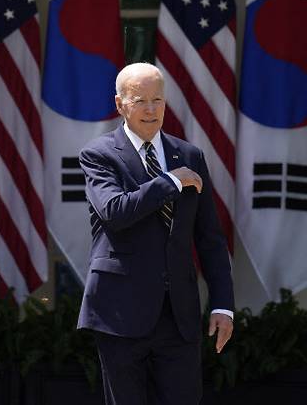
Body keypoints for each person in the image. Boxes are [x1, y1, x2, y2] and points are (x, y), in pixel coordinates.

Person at [77, 63, 234, 405]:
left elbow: (209, 238)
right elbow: (116, 212)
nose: (151, 109)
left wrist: (223, 305)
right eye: (140, 100)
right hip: (120, 313)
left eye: (157, 100)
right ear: (120, 104)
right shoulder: (99, 155)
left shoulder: (189, 155)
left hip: (178, 316)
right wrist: (169, 181)